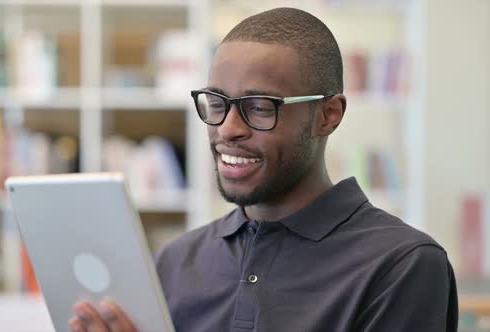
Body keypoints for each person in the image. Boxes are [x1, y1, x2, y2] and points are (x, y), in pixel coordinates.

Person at [68, 7, 458, 332]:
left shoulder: (402, 265)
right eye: (216, 102)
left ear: (328, 115)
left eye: (258, 106)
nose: (227, 129)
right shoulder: (176, 261)